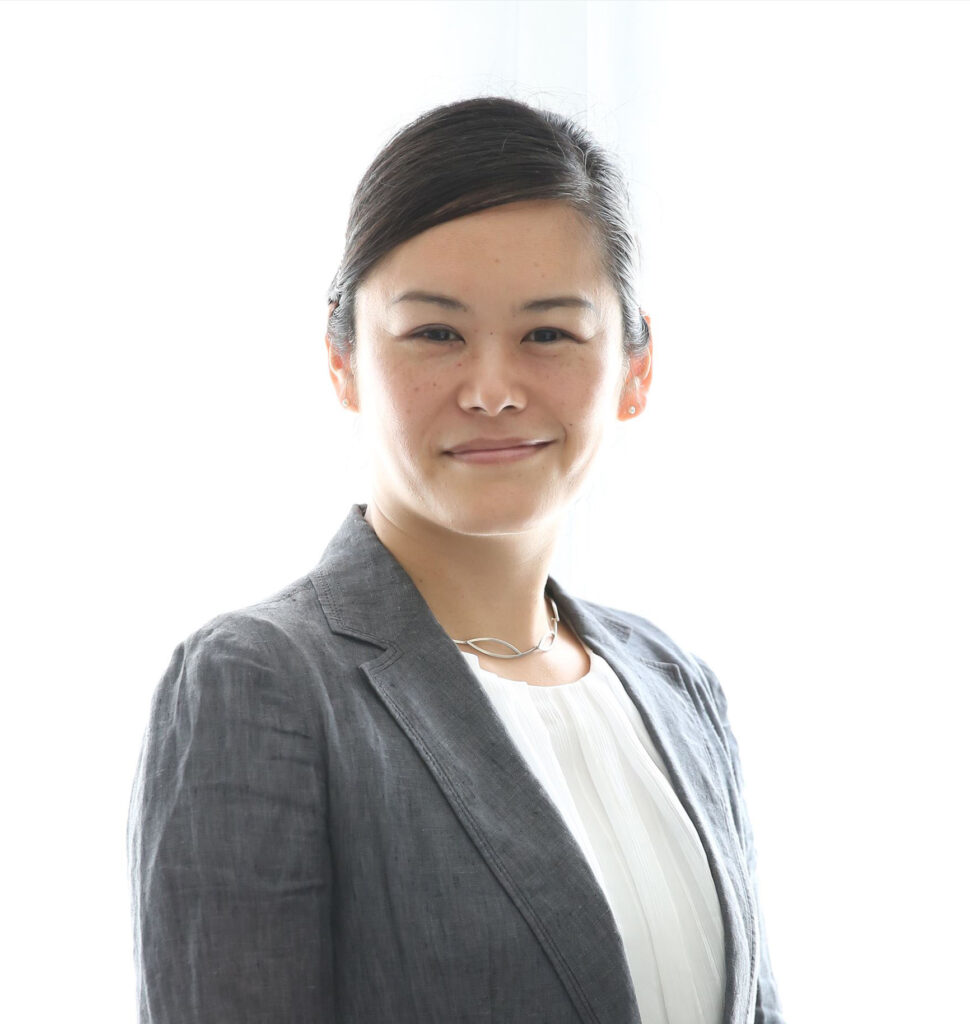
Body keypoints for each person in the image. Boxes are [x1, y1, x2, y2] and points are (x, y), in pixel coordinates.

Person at [127, 95, 785, 1024]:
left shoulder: (677, 686)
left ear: (635, 370)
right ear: (343, 359)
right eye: (435, 333)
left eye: (548, 333)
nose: (490, 389)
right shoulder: (261, 682)